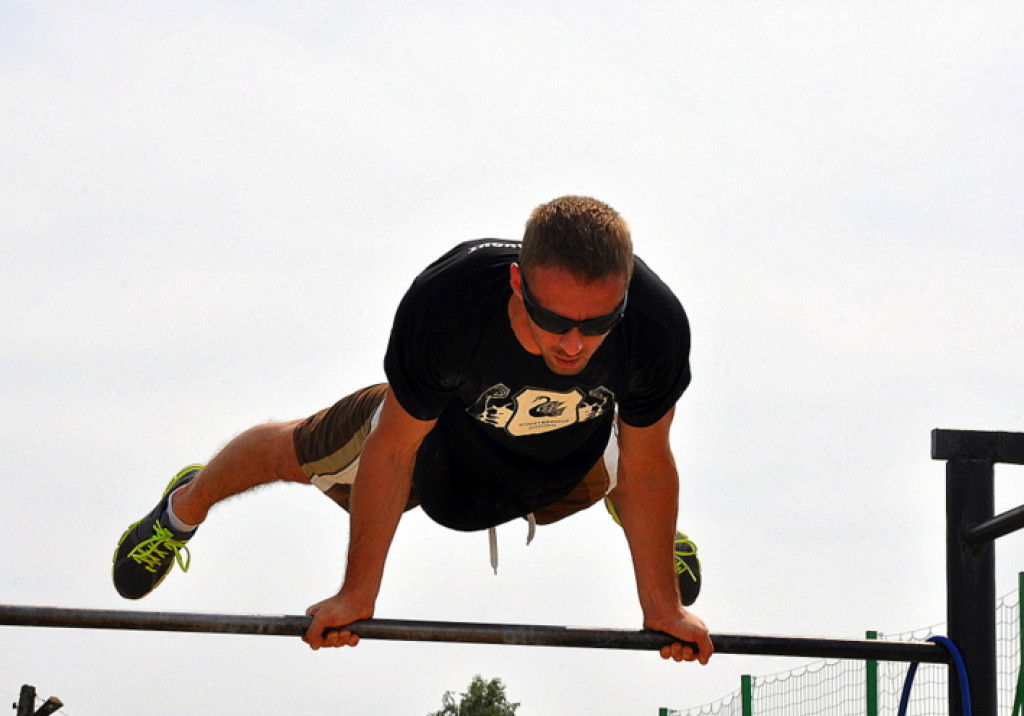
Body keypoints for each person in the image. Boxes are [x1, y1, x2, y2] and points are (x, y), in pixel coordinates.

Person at [111, 196, 713, 664]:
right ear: (516, 284)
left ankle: (648, 537)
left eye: (598, 323)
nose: (574, 343)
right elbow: (394, 450)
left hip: (570, 461)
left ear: (625, 300)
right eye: (553, 320)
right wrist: (357, 594)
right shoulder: (449, 306)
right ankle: (179, 512)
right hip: (433, 447)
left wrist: (663, 607)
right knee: (292, 452)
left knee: (629, 470)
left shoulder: (655, 326)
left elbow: (650, 463)